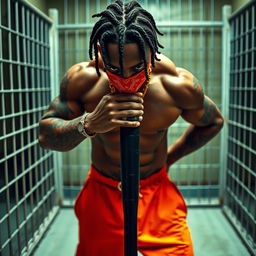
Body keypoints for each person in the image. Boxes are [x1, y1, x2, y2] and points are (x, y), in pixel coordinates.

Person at [38, 0, 224, 255]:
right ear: (101, 53)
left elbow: (213, 122)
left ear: (151, 51)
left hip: (156, 191)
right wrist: (88, 124)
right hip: (103, 191)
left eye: (137, 67)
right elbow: (45, 135)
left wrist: (170, 158)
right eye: (115, 68)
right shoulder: (84, 80)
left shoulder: (175, 84)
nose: (126, 78)